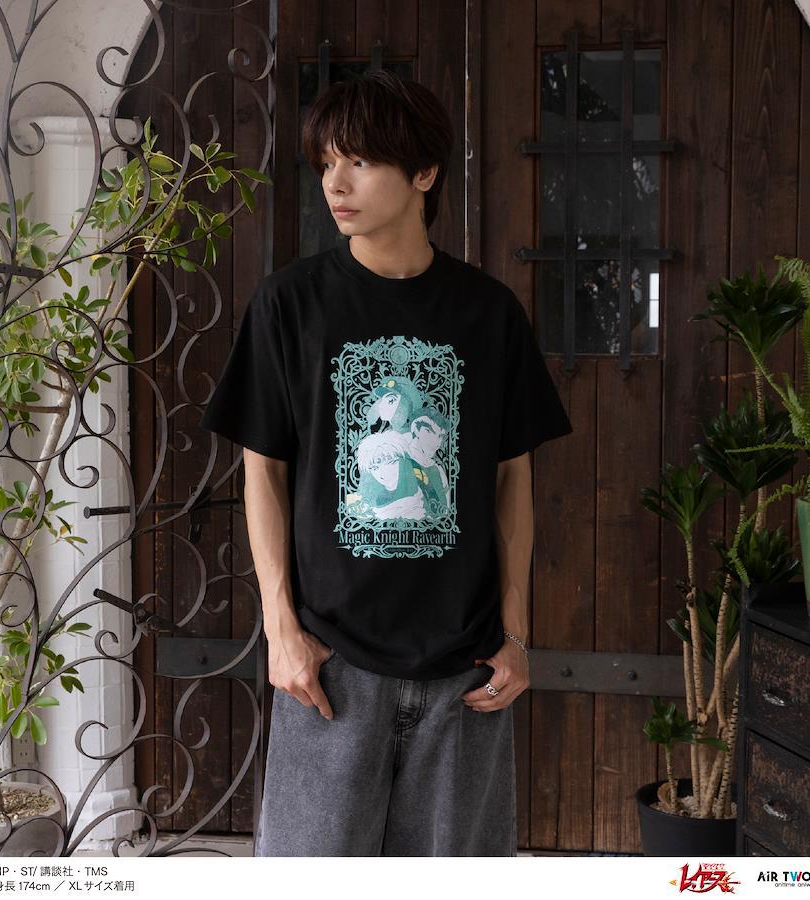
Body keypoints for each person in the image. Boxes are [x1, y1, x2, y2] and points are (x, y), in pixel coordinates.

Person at [199, 69, 573, 856]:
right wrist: (281, 630)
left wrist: (516, 634)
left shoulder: (488, 314)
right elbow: (262, 472)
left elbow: (512, 477)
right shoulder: (289, 305)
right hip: (331, 670)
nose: (335, 184)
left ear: (424, 173)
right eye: (327, 163)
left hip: (465, 673)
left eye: (360, 161)